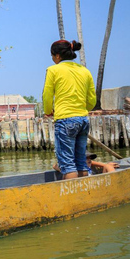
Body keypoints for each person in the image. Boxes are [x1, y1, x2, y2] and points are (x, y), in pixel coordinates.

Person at [42, 40, 96, 180]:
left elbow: (47, 95)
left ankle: (72, 194)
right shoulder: (85, 71)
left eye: (52, 56)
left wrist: (48, 110)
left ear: (58, 56)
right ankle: (85, 190)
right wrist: (81, 110)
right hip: (83, 120)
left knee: (67, 164)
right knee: (81, 162)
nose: (52, 59)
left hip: (65, 120)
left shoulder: (53, 70)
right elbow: (92, 100)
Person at [53, 151, 119, 175]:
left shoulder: (90, 166)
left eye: (89, 158)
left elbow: (91, 162)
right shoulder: (75, 170)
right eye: (86, 158)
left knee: (108, 166)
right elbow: (55, 166)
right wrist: (59, 169)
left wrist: (105, 164)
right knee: (108, 166)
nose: (89, 159)